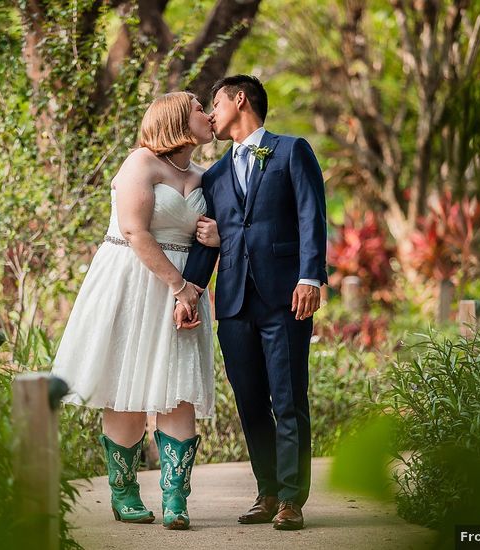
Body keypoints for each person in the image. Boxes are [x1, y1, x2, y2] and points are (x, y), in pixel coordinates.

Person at [51, 91, 219, 530]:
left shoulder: (206, 176)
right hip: (134, 282)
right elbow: (134, 230)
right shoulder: (139, 164)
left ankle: (175, 498)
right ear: (178, 118)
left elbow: (223, 231)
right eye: (201, 107)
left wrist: (215, 244)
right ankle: (124, 492)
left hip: (187, 293)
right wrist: (179, 287)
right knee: (125, 387)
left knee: (177, 388)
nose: (210, 114)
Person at [182, 75, 327, 531]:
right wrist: (190, 290)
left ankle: (291, 499)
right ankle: (266, 492)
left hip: (285, 298)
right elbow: (211, 240)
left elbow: (311, 214)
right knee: (250, 403)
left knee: (287, 400)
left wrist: (311, 277)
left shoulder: (291, 151)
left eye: (215, 103)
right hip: (235, 303)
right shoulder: (216, 174)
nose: (210, 113)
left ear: (239, 99)